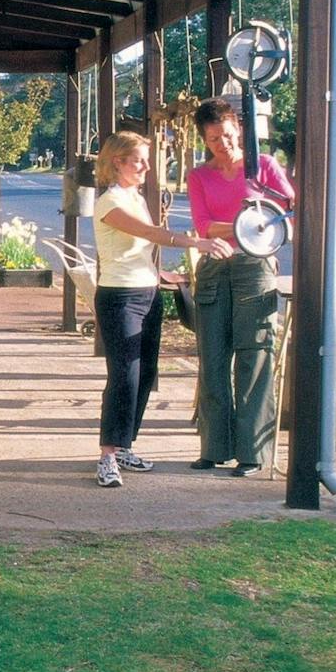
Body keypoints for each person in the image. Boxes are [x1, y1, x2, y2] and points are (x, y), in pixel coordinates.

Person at [92, 132, 232, 488]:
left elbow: (137, 250)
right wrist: (195, 241)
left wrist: (164, 275)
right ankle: (107, 455)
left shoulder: (135, 197)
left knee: (146, 373)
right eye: (138, 160)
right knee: (124, 375)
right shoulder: (109, 202)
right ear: (117, 163)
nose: (146, 167)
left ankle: (124, 444)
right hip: (120, 297)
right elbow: (150, 234)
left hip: (148, 292)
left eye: (146, 160)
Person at [184, 97, 297, 476]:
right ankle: (213, 447)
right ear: (205, 139)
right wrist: (248, 220)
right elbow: (204, 227)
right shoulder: (199, 176)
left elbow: (286, 212)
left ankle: (252, 453)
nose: (223, 144)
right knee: (213, 360)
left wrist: (259, 205)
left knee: (254, 357)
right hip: (216, 269)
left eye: (229, 135)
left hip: (255, 268)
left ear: (240, 131)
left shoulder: (263, 167)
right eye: (214, 138)